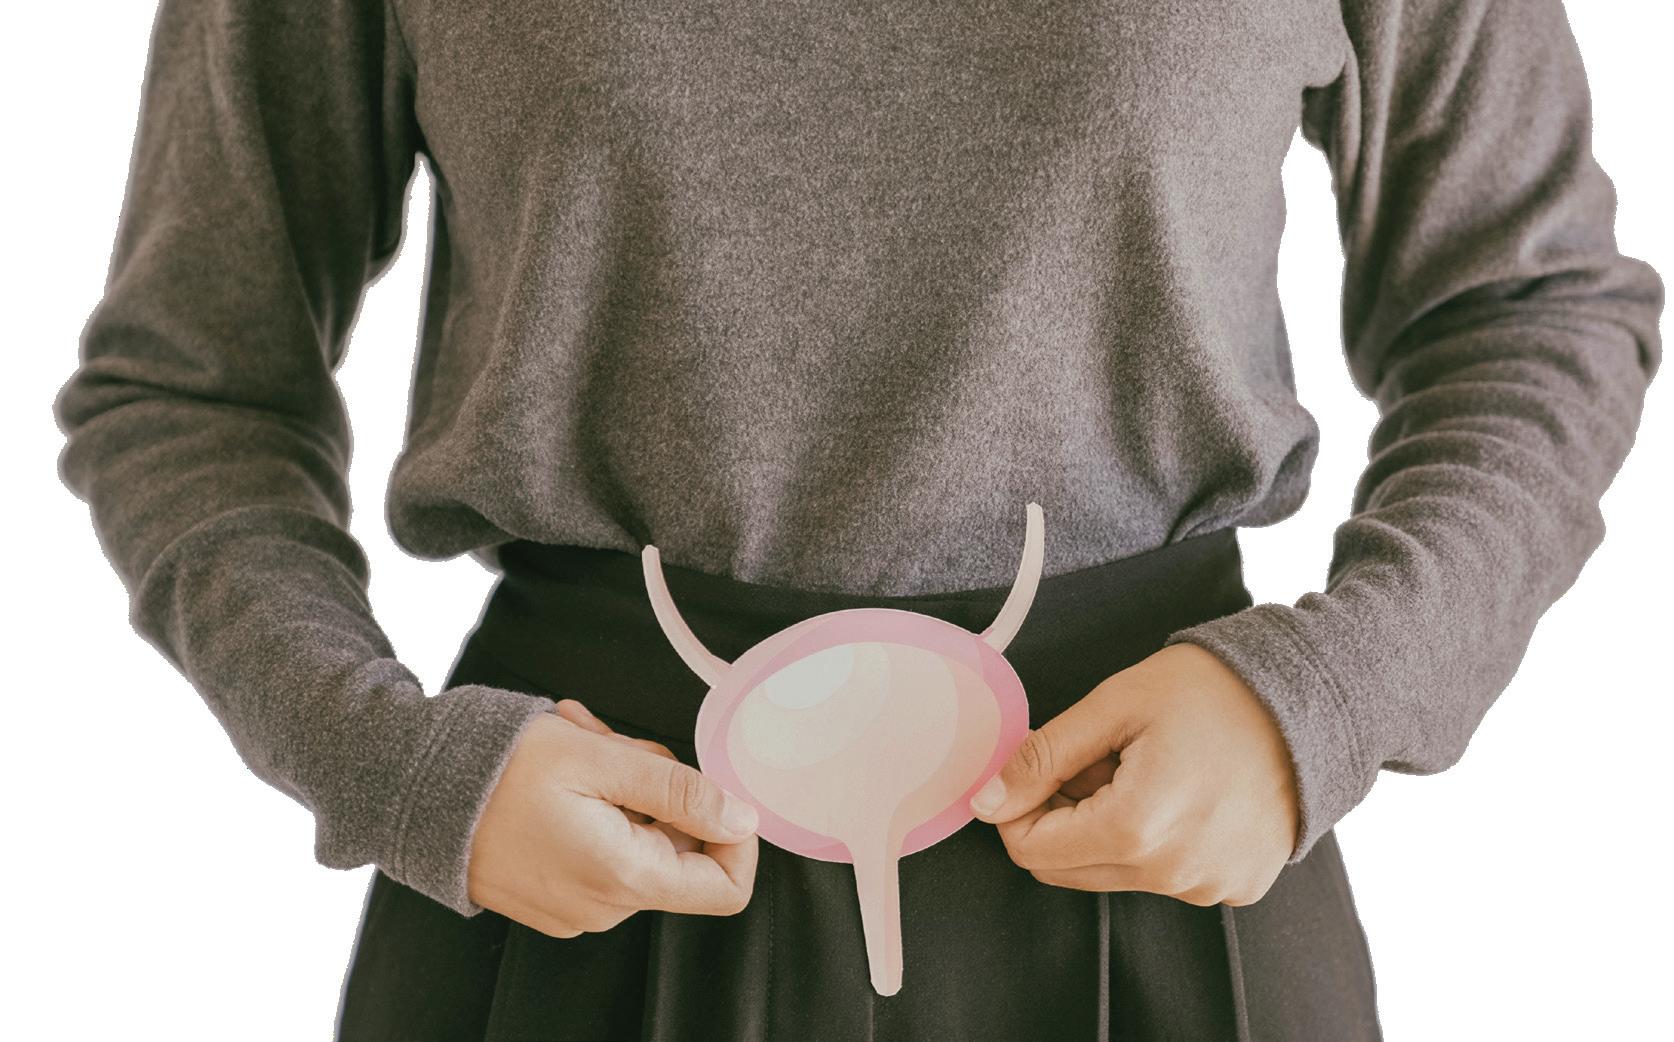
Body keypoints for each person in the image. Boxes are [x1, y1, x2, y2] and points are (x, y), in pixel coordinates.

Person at [52, 0, 1663, 1039]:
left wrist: (1328, 694)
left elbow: (1530, 305)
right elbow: (188, 386)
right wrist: (388, 761)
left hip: (1168, 852)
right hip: (578, 865)